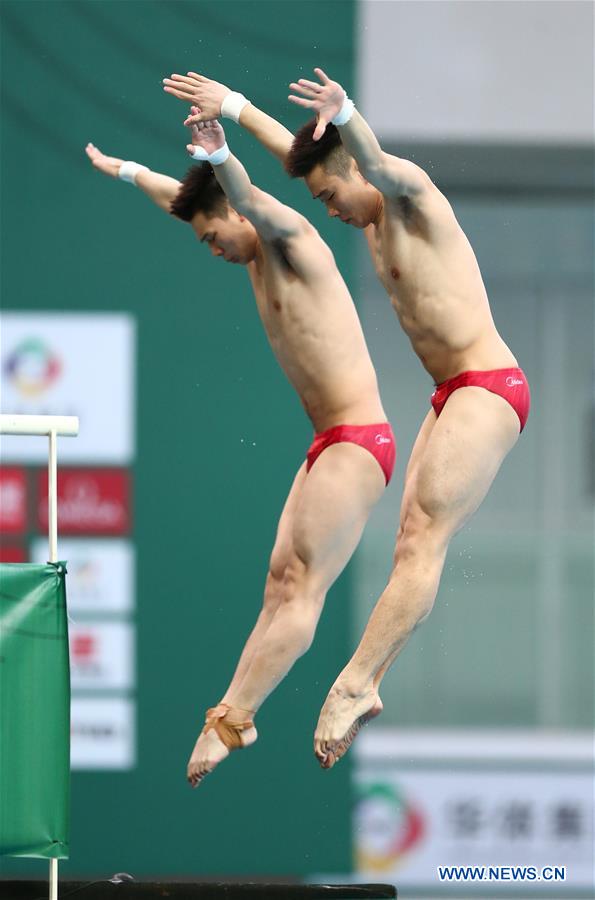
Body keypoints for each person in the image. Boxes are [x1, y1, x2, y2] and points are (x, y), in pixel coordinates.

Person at [163, 69, 530, 769]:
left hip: (488, 384)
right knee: (407, 543)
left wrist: (351, 116)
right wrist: (235, 108)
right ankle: (358, 683)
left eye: (332, 195)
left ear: (356, 168)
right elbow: (298, 160)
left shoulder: (408, 196)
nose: (328, 210)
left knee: (422, 539)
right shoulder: (360, 208)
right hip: (450, 390)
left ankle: (357, 683)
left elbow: (380, 166)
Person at [85, 110, 396, 786]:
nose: (212, 251)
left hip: (357, 441)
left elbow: (248, 199)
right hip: (329, 442)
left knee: (300, 590)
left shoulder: (295, 240)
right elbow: (188, 202)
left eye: (212, 238)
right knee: (277, 584)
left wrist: (223, 153)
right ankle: (237, 714)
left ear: (238, 212)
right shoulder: (247, 244)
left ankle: (233, 717)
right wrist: (130, 171)